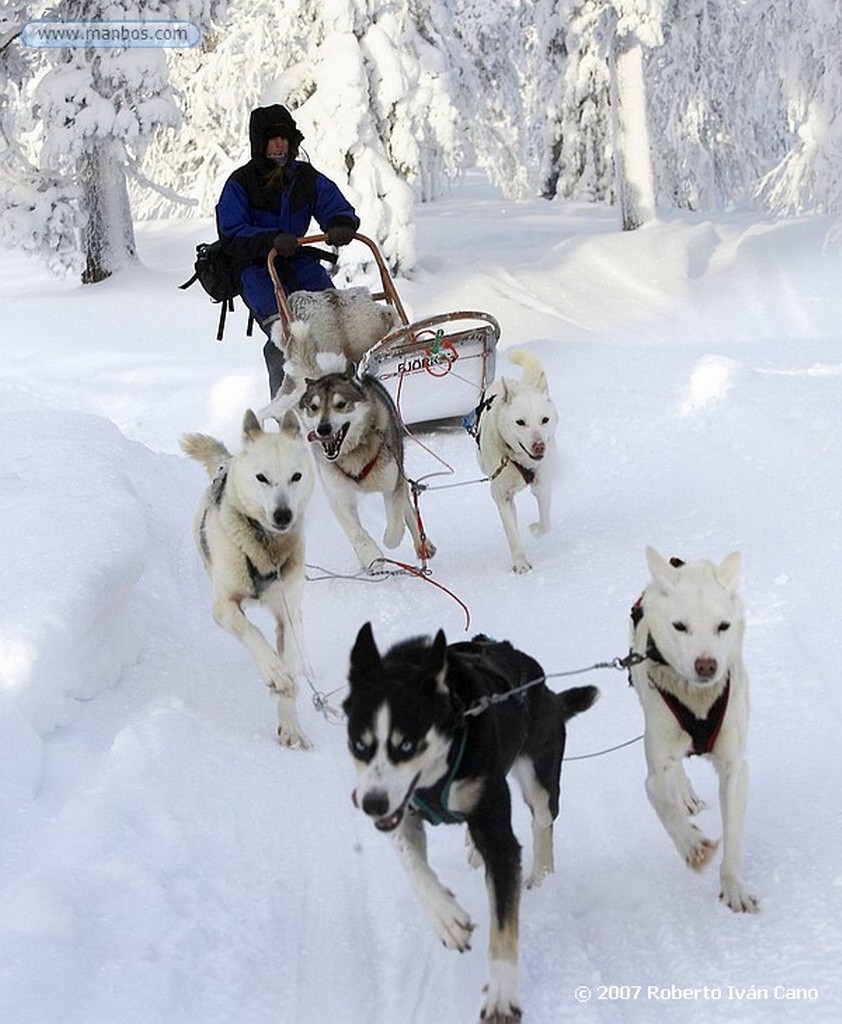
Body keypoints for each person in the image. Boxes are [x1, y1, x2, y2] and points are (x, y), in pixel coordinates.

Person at [216, 104, 360, 395]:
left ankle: (346, 394)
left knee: (335, 316)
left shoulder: (305, 178)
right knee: (285, 336)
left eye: (284, 137)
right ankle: (287, 409)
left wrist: (340, 223)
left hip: (298, 261)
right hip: (258, 269)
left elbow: (332, 203)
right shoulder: (241, 183)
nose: (279, 143)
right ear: (260, 142)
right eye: (272, 138)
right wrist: (270, 239)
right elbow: (231, 230)